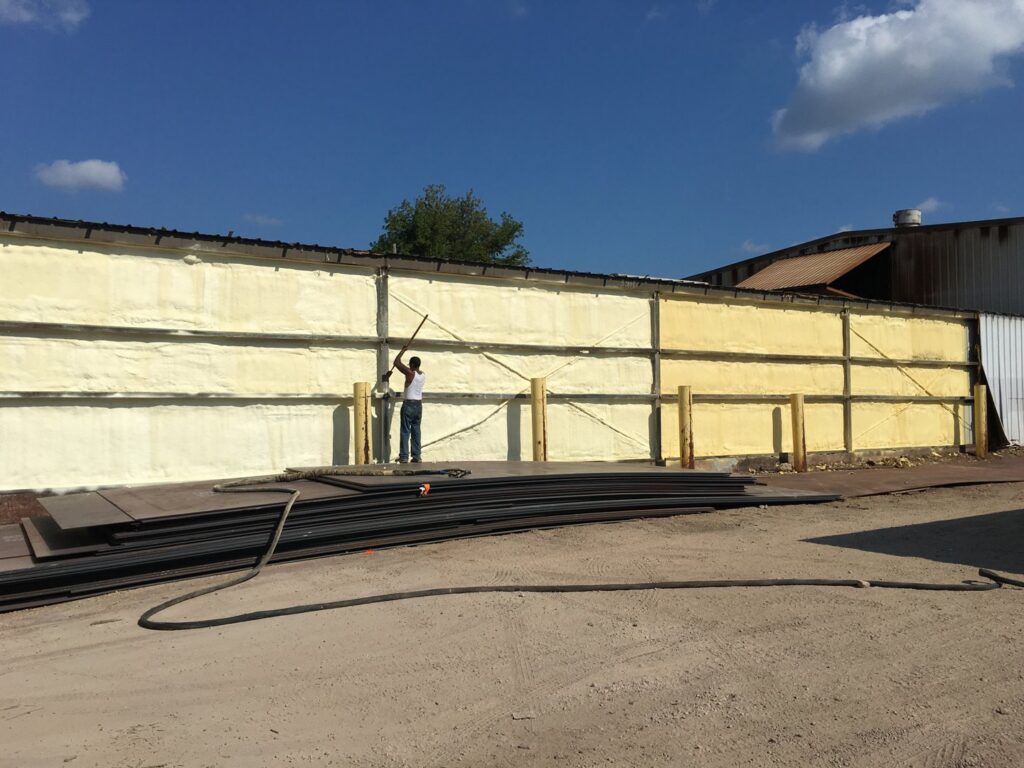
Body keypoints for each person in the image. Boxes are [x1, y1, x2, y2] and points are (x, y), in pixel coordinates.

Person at [394, 351, 425, 463]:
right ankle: (417, 456)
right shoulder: (423, 375)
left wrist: (403, 350)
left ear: (412, 365)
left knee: (405, 430)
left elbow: (397, 362)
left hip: (409, 404)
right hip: (418, 405)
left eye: (409, 364)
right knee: (416, 430)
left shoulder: (410, 373)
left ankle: (404, 456)